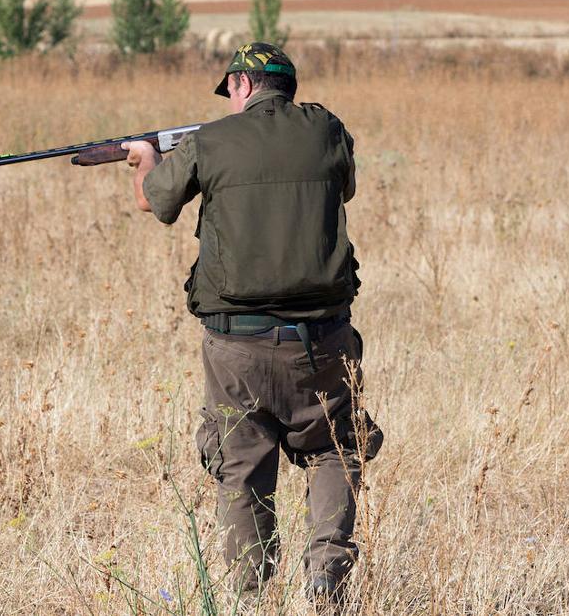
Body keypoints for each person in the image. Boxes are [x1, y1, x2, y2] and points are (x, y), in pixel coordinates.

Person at [122, 43, 382, 608]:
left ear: (241, 84)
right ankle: (325, 577)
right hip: (324, 341)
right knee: (334, 450)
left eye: (230, 89)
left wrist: (145, 156)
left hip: (236, 343)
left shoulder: (209, 141)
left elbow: (154, 203)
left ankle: (249, 593)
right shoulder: (328, 130)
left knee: (242, 466)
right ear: (287, 86)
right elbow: (346, 186)